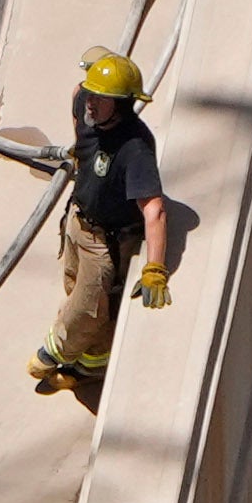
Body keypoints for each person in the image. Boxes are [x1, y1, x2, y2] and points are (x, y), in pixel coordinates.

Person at [34, 47, 183, 401]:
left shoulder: (135, 149)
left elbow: (154, 210)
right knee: (76, 288)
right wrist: (81, 152)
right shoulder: (87, 107)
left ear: (122, 104)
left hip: (107, 242)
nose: (91, 104)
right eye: (92, 95)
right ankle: (91, 364)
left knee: (87, 307)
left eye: (101, 99)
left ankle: (57, 354)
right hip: (77, 220)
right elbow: (77, 97)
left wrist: (155, 269)